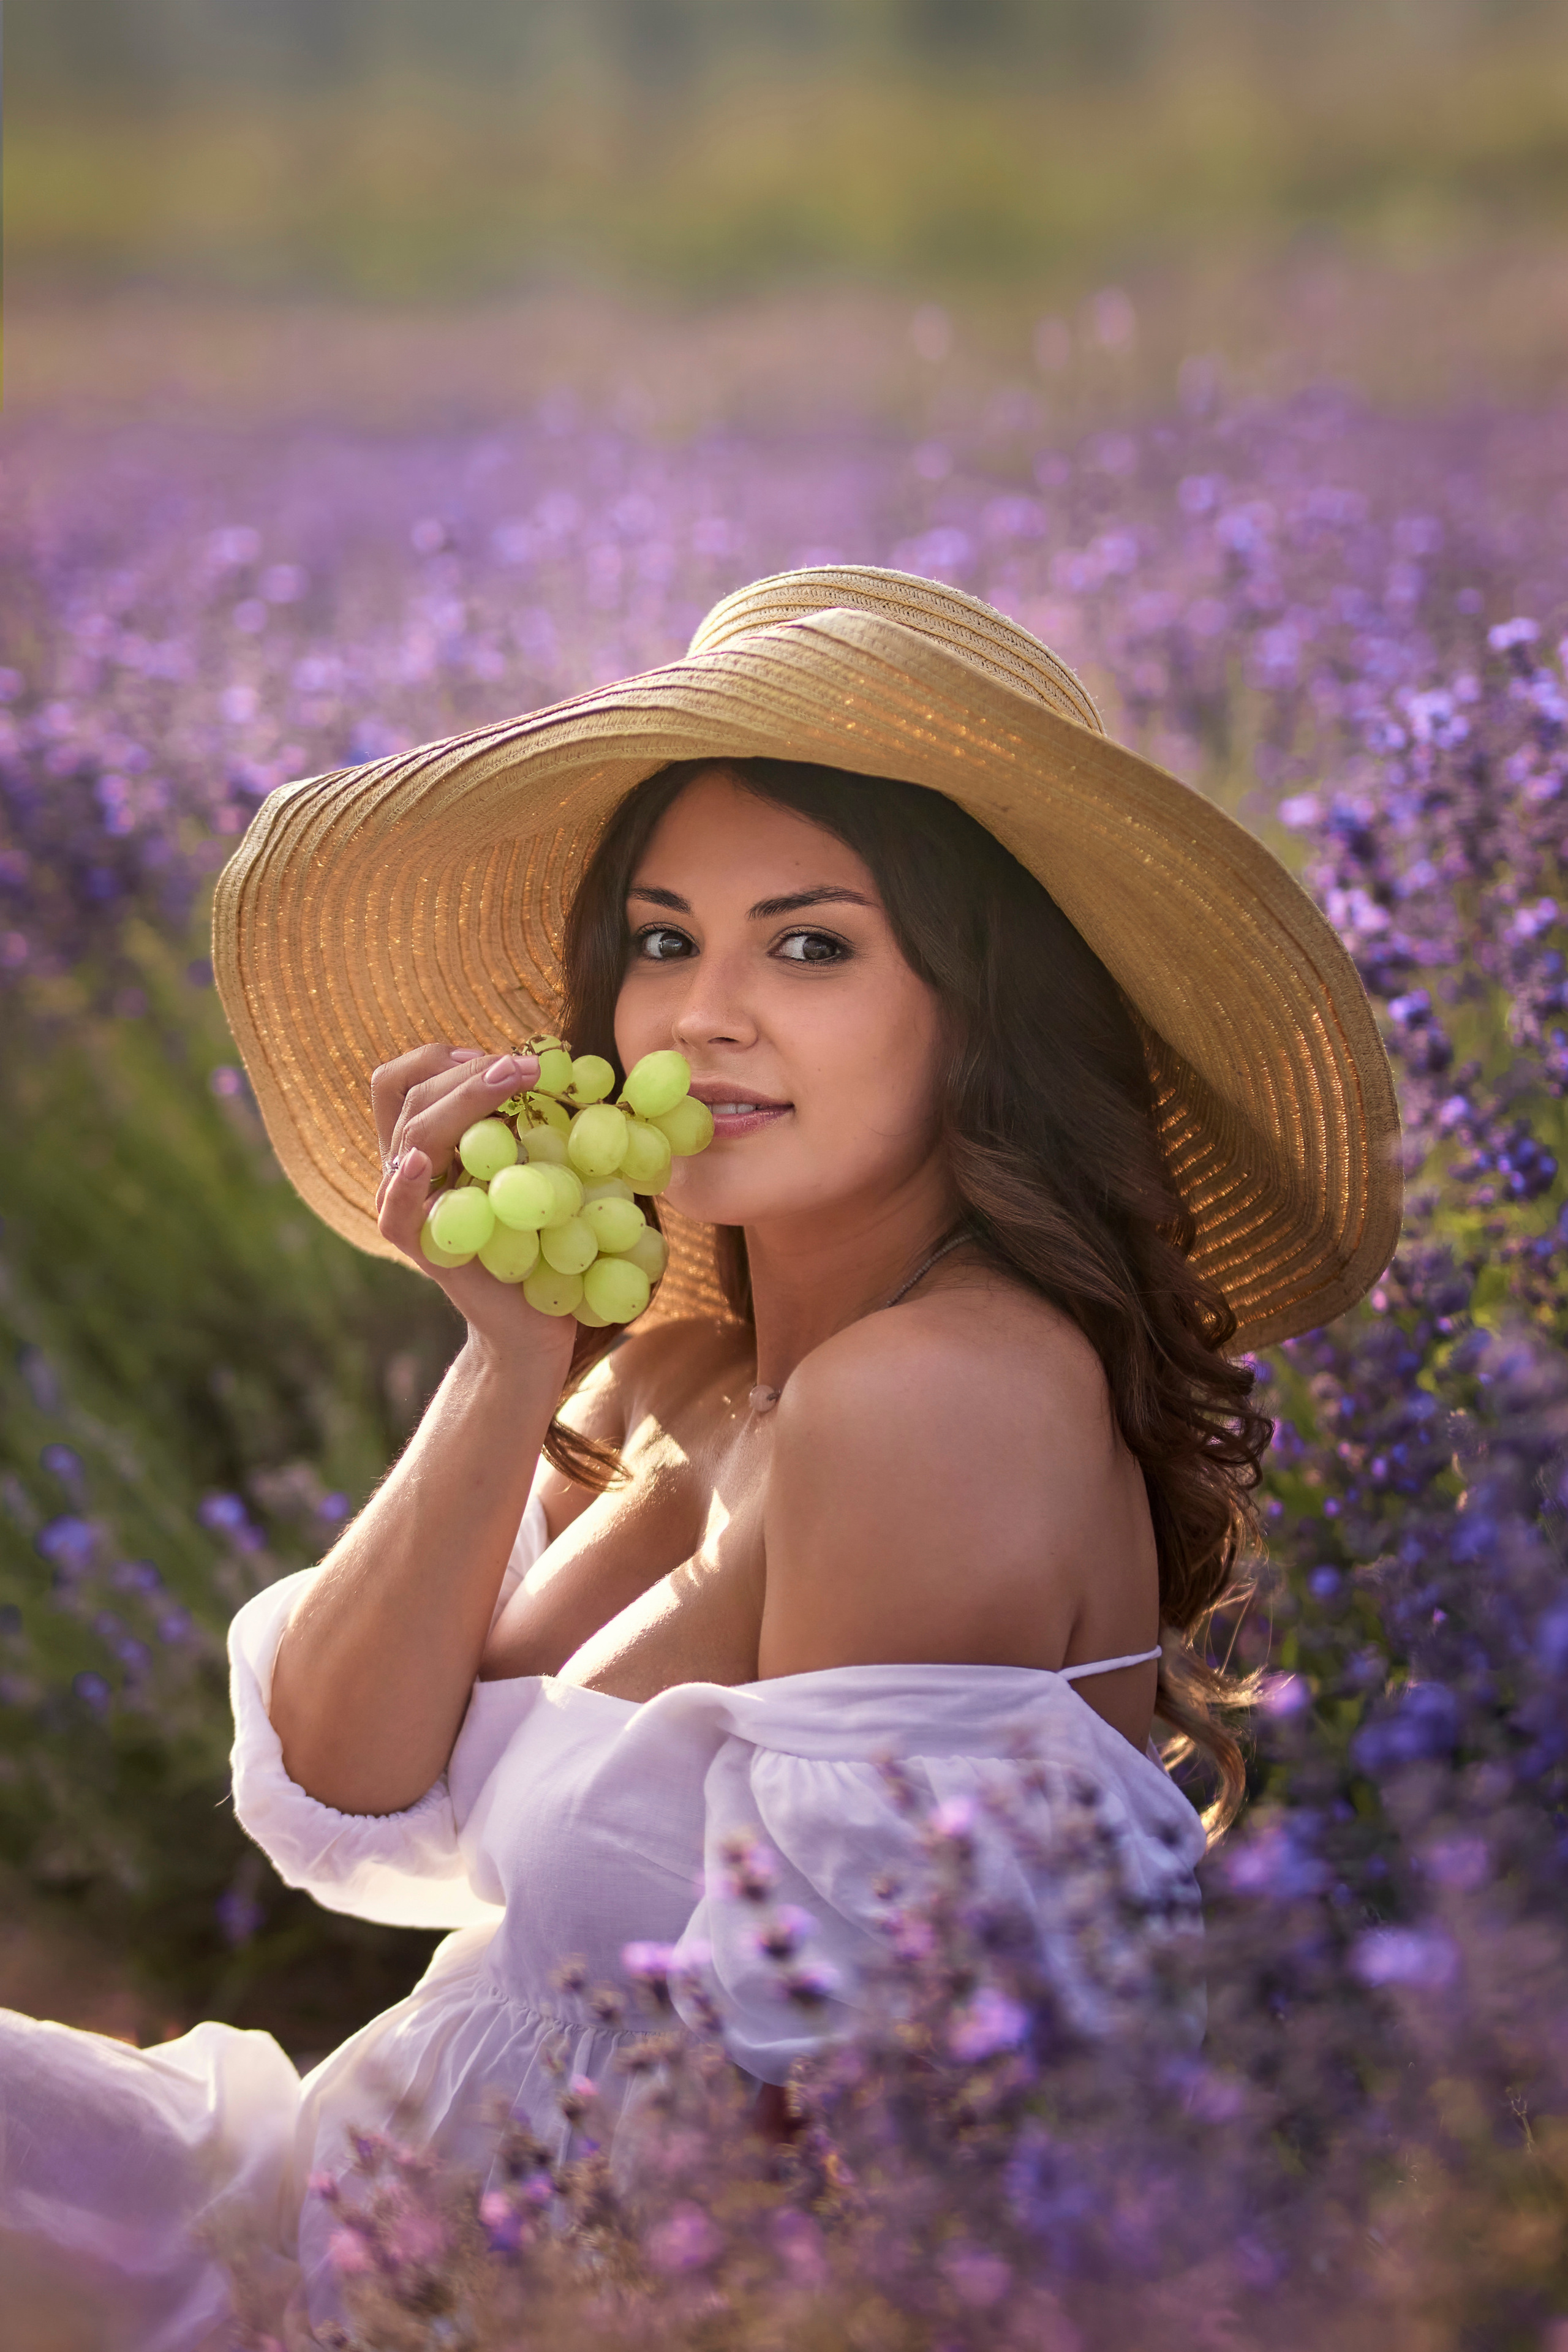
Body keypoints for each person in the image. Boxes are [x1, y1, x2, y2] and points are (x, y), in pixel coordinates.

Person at [0, 567, 1401, 2348]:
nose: (702, 1013)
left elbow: (862, 2141)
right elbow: (345, 1801)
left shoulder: (934, 1404)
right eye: (664, 941)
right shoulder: (687, 1372)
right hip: (328, 2219)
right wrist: (507, 1361)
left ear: (981, 1013)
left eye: (810, 945)